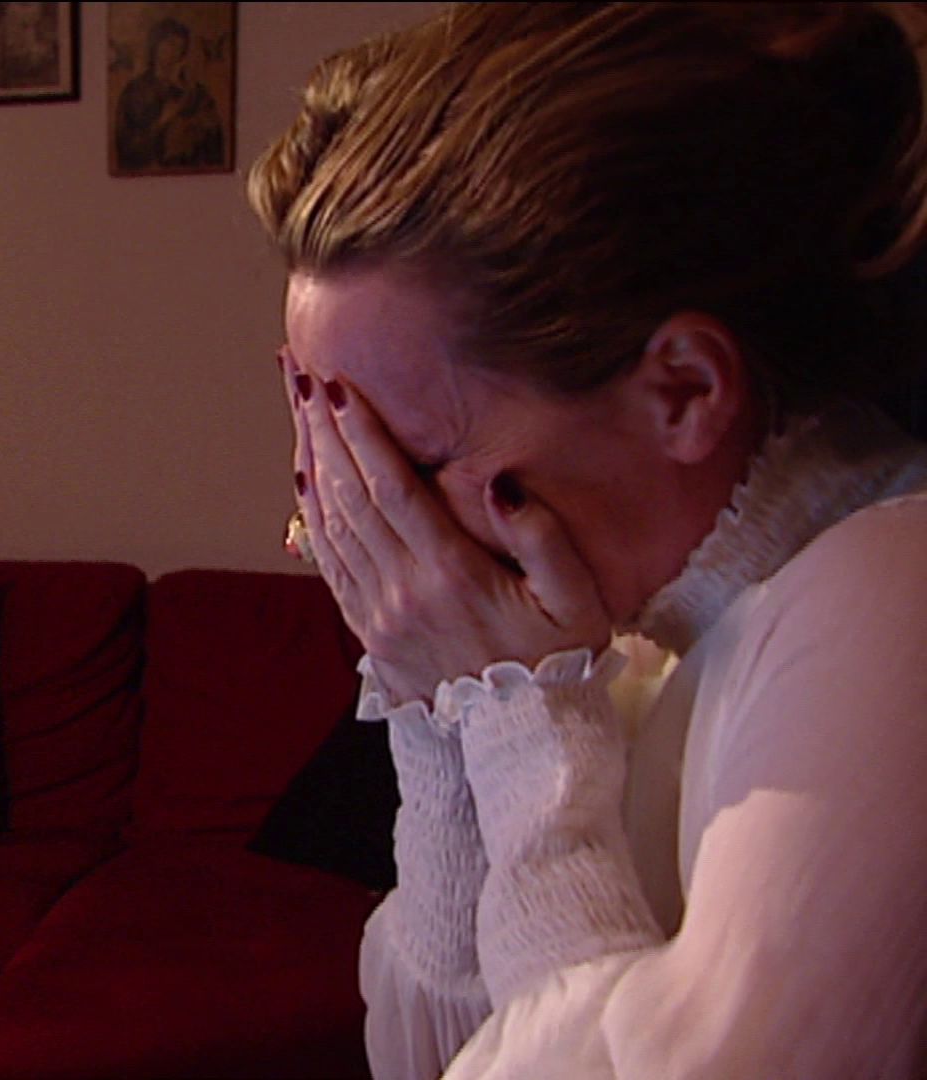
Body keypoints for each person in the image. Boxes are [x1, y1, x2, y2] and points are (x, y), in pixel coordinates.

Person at [248, 4, 927, 1077]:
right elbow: (432, 1061)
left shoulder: (887, 598)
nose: (359, 534)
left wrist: (522, 725)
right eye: (341, 467)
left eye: (407, 465)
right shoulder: (637, 627)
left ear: (684, 391)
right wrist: (442, 717)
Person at [114, 17, 225, 172]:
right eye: (170, 44)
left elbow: (214, 142)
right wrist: (163, 120)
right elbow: (128, 148)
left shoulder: (197, 92)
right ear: (156, 46)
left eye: (181, 47)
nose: (175, 52)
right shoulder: (136, 91)